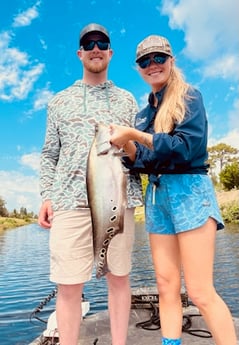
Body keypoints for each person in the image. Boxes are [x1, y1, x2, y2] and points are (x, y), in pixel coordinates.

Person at [109, 35, 238, 345]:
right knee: (166, 286)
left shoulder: (190, 97)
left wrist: (136, 135)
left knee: (199, 291)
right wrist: (126, 144)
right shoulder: (143, 113)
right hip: (156, 197)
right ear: (138, 67)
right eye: (145, 61)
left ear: (171, 60)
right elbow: (143, 160)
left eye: (159, 58)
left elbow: (185, 147)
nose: (152, 65)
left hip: (190, 193)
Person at [38, 23, 142, 345]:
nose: (95, 48)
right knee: (69, 286)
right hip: (68, 203)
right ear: (80, 53)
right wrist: (46, 195)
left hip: (118, 202)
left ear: (110, 52)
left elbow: (138, 154)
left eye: (102, 43)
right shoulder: (58, 101)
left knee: (119, 278)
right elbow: (48, 154)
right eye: (89, 43)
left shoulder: (127, 101)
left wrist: (125, 142)